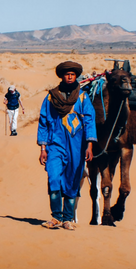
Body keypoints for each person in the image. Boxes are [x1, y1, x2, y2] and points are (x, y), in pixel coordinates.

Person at [37, 61, 97, 231]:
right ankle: (56, 217)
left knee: (72, 181)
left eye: (72, 74)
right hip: (55, 144)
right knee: (54, 177)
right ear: (62, 76)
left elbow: (89, 120)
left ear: (76, 76)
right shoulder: (51, 97)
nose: (70, 77)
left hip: (77, 147)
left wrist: (90, 145)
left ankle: (68, 219)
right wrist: (43, 148)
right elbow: (43, 122)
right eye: (67, 74)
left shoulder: (83, 97)